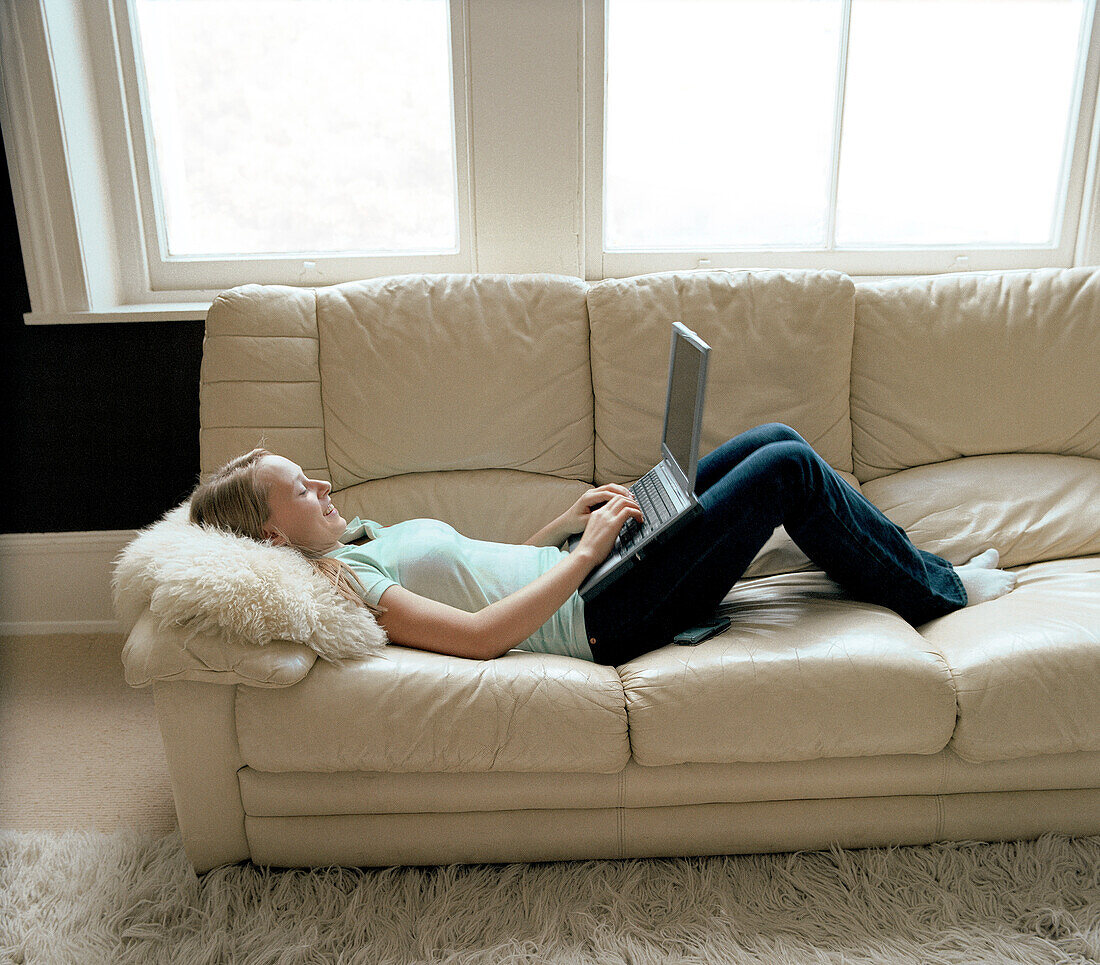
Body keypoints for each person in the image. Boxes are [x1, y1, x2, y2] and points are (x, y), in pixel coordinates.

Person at [187, 423, 1018, 666]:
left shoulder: (362, 538)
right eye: (303, 490)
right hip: (601, 614)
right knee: (788, 470)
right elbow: (481, 637)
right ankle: (939, 592)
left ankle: (919, 567)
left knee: (771, 437)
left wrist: (567, 521)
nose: (324, 487)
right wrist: (586, 556)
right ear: (269, 533)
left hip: (590, 570)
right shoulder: (342, 584)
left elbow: (480, 572)